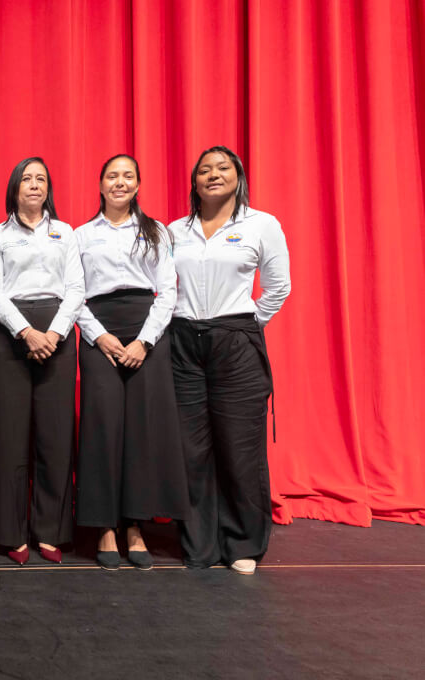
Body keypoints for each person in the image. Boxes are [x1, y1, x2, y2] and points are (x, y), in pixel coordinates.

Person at [168, 145, 291, 575]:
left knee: (240, 447)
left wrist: (244, 326)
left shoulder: (262, 225)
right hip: (183, 342)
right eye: (205, 170)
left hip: (235, 340)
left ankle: (242, 542)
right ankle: (200, 541)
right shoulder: (176, 230)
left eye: (223, 168)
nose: (213, 175)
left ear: (238, 177)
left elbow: (278, 286)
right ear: (195, 182)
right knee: (191, 449)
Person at [75, 154, 190, 570]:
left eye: (128, 176)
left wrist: (144, 341)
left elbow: (168, 291)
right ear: (100, 184)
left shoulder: (155, 231)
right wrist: (99, 335)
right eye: (112, 176)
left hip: (147, 331)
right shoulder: (81, 235)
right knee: (103, 426)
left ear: (138, 184)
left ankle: (135, 525)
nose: (119, 182)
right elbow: (73, 293)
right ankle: (104, 526)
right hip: (99, 329)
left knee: (142, 428)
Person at [0, 157, 84, 565]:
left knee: (54, 437)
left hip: (58, 331)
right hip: (11, 334)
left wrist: (54, 334)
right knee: (11, 437)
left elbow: (76, 289)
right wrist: (26, 332)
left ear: (48, 188)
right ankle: (12, 532)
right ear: (15, 187)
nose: (35, 184)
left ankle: (50, 531)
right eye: (27, 178)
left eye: (41, 178)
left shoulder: (65, 232)